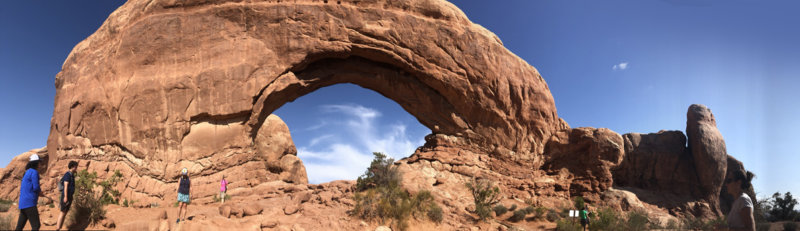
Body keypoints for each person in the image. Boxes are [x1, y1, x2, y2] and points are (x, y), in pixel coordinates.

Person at [15, 154, 42, 231]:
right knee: (36, 226)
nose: (41, 164)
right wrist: (40, 192)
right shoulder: (34, 172)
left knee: (19, 227)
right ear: (36, 163)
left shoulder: (26, 172)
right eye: (40, 162)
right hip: (30, 203)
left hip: (23, 203)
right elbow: (36, 187)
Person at [55, 161, 78, 231]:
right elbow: (65, 186)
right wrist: (65, 197)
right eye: (76, 167)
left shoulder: (71, 175)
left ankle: (60, 227)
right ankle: (58, 228)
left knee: (65, 212)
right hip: (66, 196)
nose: (76, 168)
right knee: (62, 212)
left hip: (69, 196)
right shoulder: (67, 175)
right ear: (72, 166)